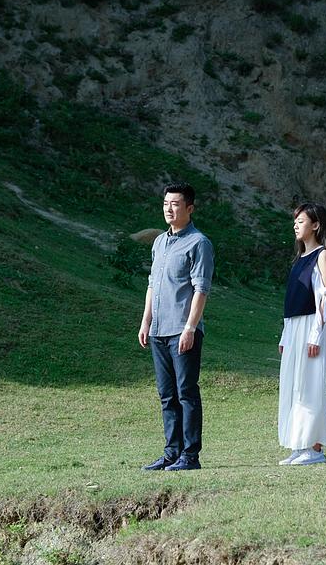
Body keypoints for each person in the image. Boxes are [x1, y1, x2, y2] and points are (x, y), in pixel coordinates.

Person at [138, 182, 214, 471]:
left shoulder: (199, 243)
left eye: (175, 204)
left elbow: (201, 289)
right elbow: (152, 285)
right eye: (166, 203)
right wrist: (146, 321)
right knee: (166, 395)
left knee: (186, 392)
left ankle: (190, 456)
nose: (169, 209)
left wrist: (190, 328)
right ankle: (172, 453)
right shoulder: (159, 242)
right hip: (158, 330)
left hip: (182, 330)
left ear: (189, 208)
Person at [277, 202, 326, 465]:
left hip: (312, 326)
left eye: (301, 221)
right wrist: (285, 336)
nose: (296, 226)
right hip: (294, 328)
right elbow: (292, 302)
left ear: (316, 225)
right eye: (295, 221)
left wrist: (315, 336)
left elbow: (325, 297)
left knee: (311, 384)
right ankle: (299, 444)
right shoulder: (299, 259)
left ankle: (314, 449)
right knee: (295, 385)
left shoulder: (323, 256)